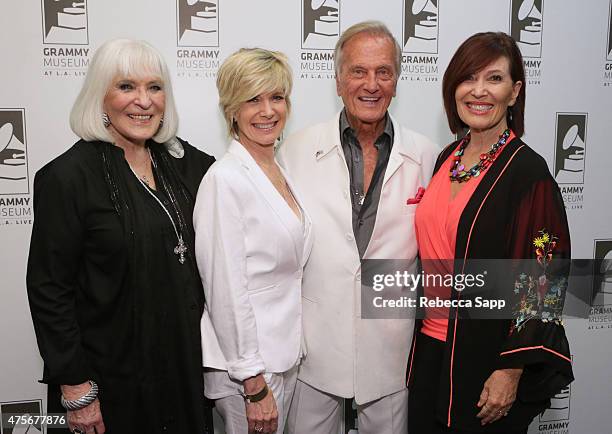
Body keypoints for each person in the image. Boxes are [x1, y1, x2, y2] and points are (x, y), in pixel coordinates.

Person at [26, 39, 215, 434]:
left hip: (179, 373)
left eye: (155, 87)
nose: (143, 101)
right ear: (101, 96)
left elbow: (241, 172)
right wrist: (78, 390)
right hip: (108, 387)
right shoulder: (66, 178)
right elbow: (49, 291)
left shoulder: (184, 165)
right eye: (126, 86)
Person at [407, 32, 574, 433]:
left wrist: (511, 368)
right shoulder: (448, 157)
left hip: (487, 360)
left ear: (514, 92)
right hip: (430, 351)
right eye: (469, 78)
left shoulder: (527, 172)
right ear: (453, 89)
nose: (479, 91)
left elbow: (544, 280)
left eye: (495, 79)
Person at [277, 21, 438, 434]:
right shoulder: (295, 150)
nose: (371, 84)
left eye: (383, 72)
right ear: (337, 80)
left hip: (391, 345)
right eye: (358, 71)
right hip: (314, 345)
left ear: (397, 82)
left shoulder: (428, 155)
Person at [193, 48, 312, 434]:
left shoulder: (278, 168)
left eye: (276, 97)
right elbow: (225, 288)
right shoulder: (224, 179)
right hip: (247, 372)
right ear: (232, 109)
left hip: (283, 356)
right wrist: (252, 381)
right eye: (253, 99)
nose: (267, 111)